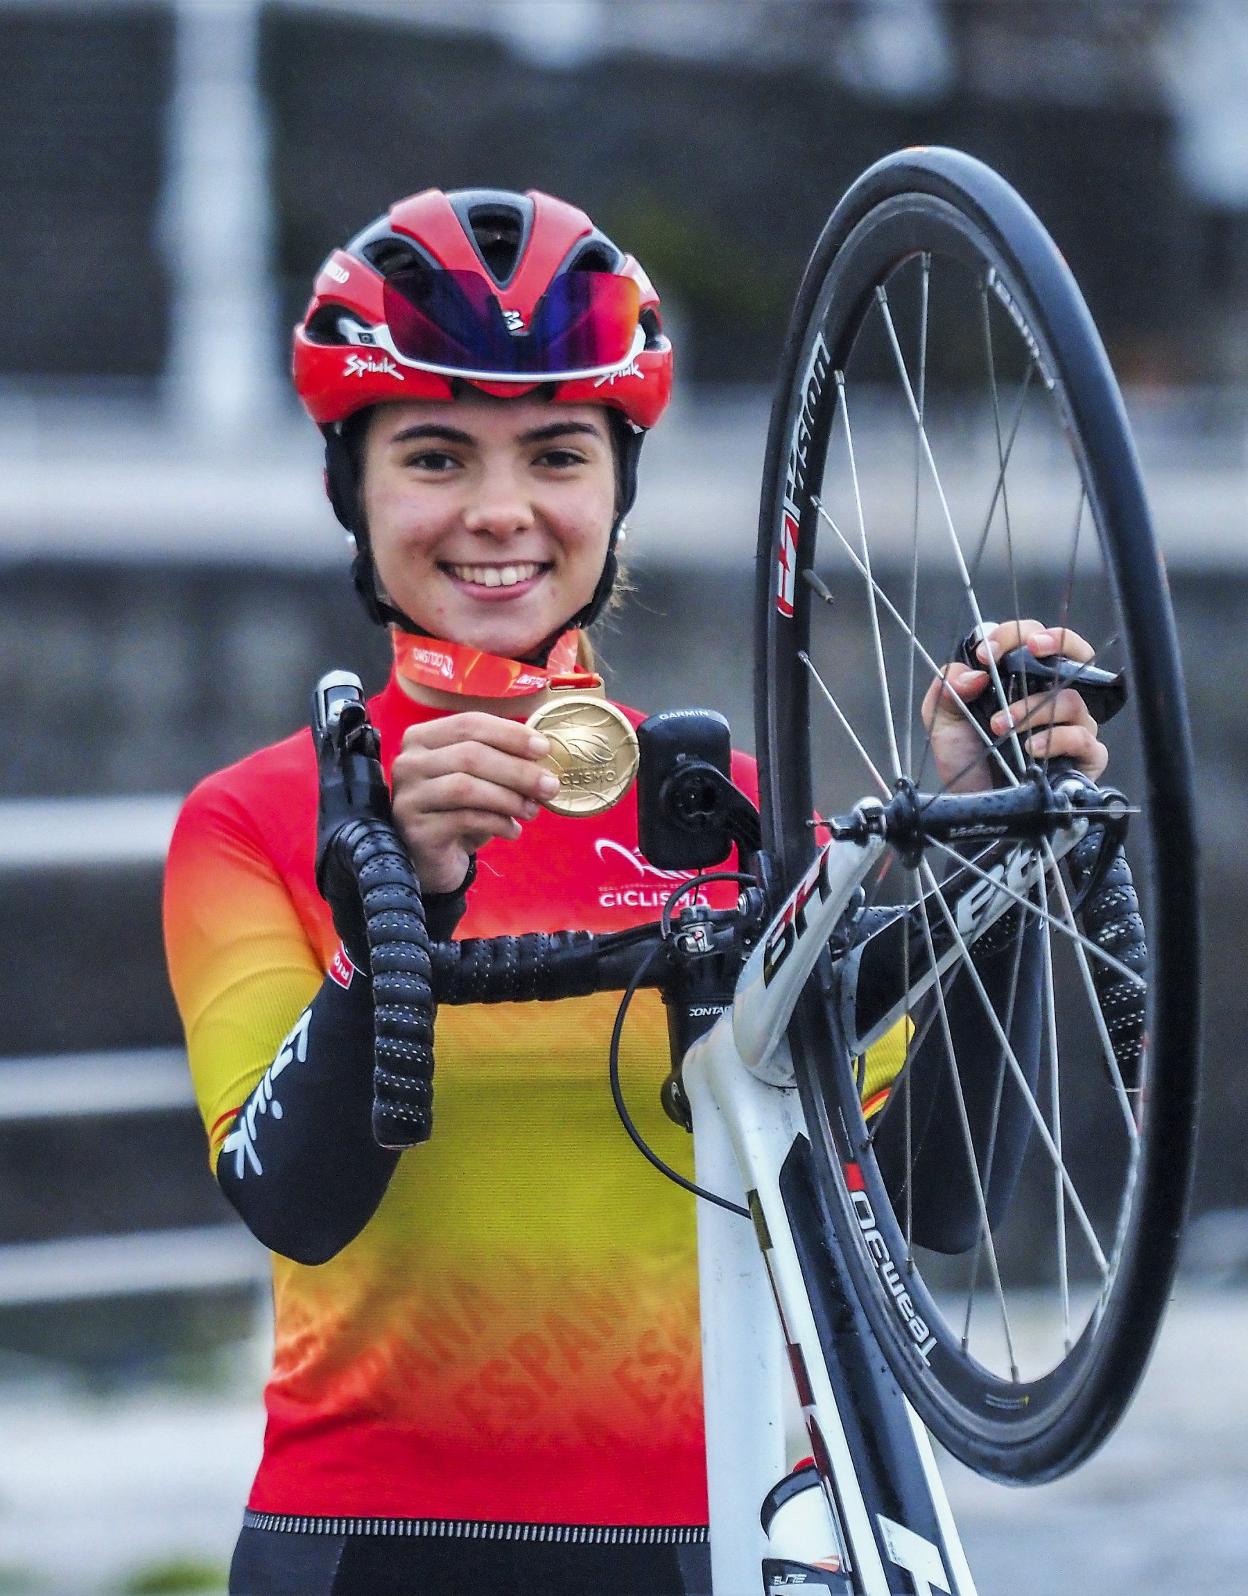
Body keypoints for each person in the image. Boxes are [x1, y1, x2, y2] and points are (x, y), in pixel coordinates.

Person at [162, 187, 1109, 1596]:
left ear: (618, 489)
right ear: (349, 491)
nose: (499, 512)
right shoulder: (255, 821)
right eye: (432, 455)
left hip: (714, 1544)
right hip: (368, 1554)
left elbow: (935, 1197)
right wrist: (397, 907)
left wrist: (985, 844)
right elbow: (290, 1196)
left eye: (555, 453)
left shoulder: (713, 800)